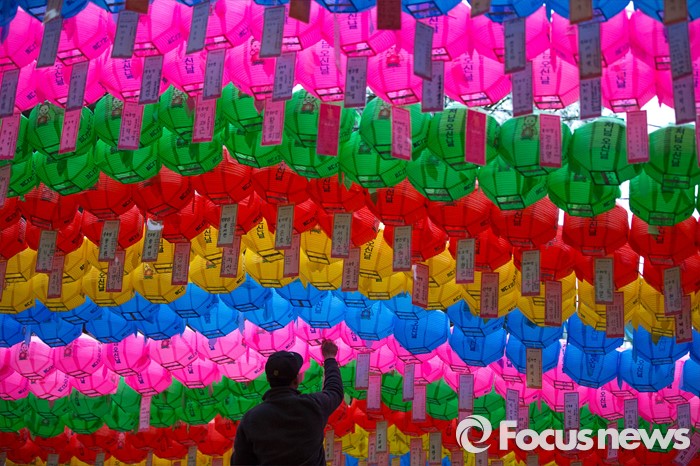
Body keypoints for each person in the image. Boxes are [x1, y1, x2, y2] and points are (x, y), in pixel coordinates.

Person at [231, 340, 344, 466]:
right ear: (296, 380)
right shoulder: (312, 406)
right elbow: (334, 390)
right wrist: (329, 358)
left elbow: (240, 462)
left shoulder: (251, 418)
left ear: (268, 379)